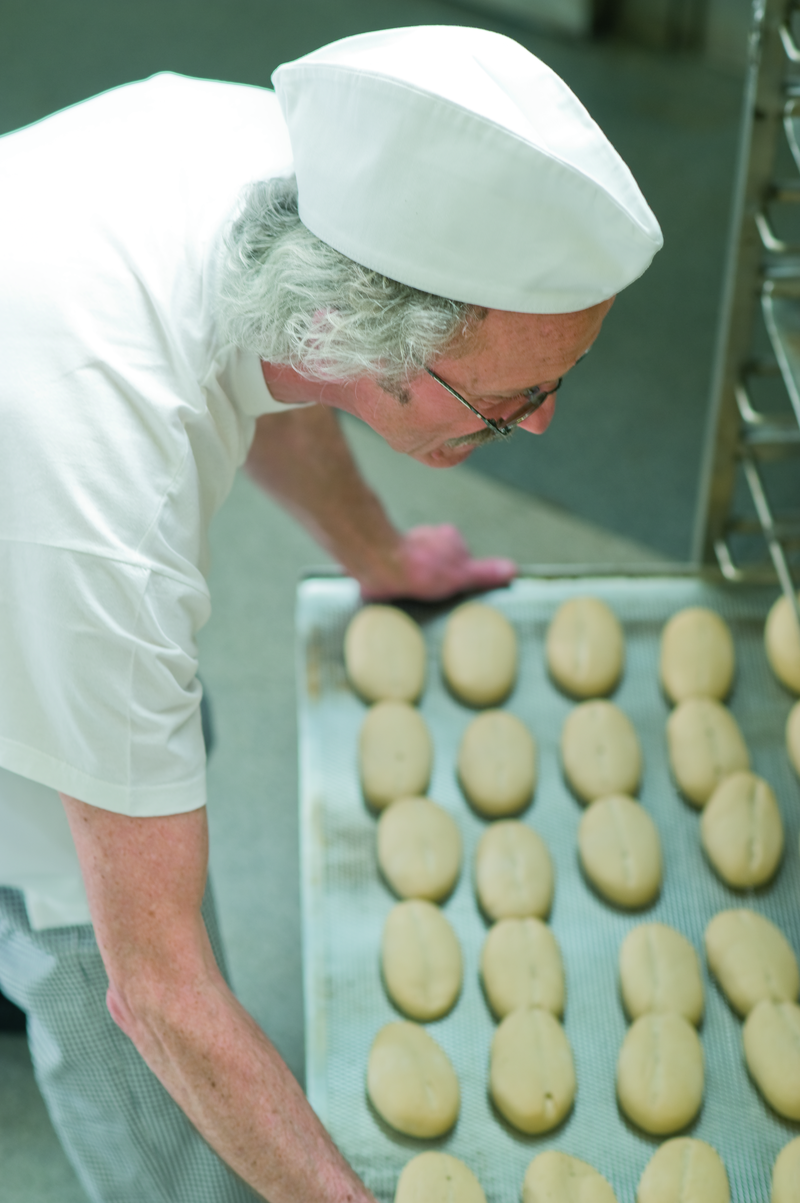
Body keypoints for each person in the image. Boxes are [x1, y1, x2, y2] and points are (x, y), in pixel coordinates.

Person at [0, 24, 662, 1203]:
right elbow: (150, 980)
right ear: (375, 343)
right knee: (79, 925)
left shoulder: (285, 192)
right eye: (514, 401)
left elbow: (286, 374)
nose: (547, 427)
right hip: (32, 507)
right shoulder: (98, 492)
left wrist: (378, 552)